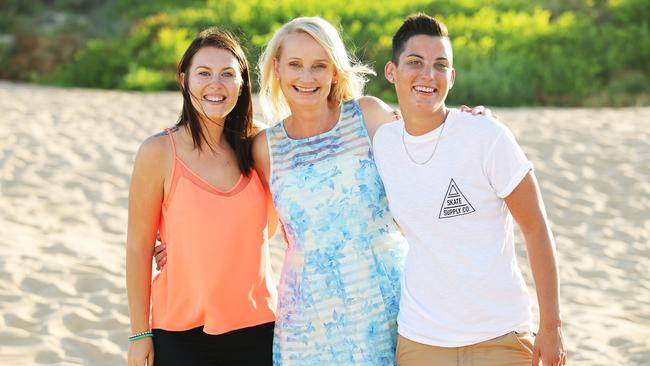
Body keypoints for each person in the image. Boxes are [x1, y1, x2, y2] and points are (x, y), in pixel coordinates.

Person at [373, 14, 567, 366]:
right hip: (421, 340)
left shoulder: (486, 136)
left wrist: (551, 327)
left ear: (452, 76)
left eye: (440, 65)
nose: (427, 75)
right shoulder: (382, 142)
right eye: (415, 63)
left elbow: (536, 227)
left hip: (500, 336)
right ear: (391, 71)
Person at [126, 27, 277, 366]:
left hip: (258, 329)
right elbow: (138, 247)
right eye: (204, 73)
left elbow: (266, 230)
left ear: (242, 83)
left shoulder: (260, 147)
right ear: (184, 80)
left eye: (227, 74)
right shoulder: (159, 151)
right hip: (180, 333)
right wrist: (139, 334)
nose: (216, 84)